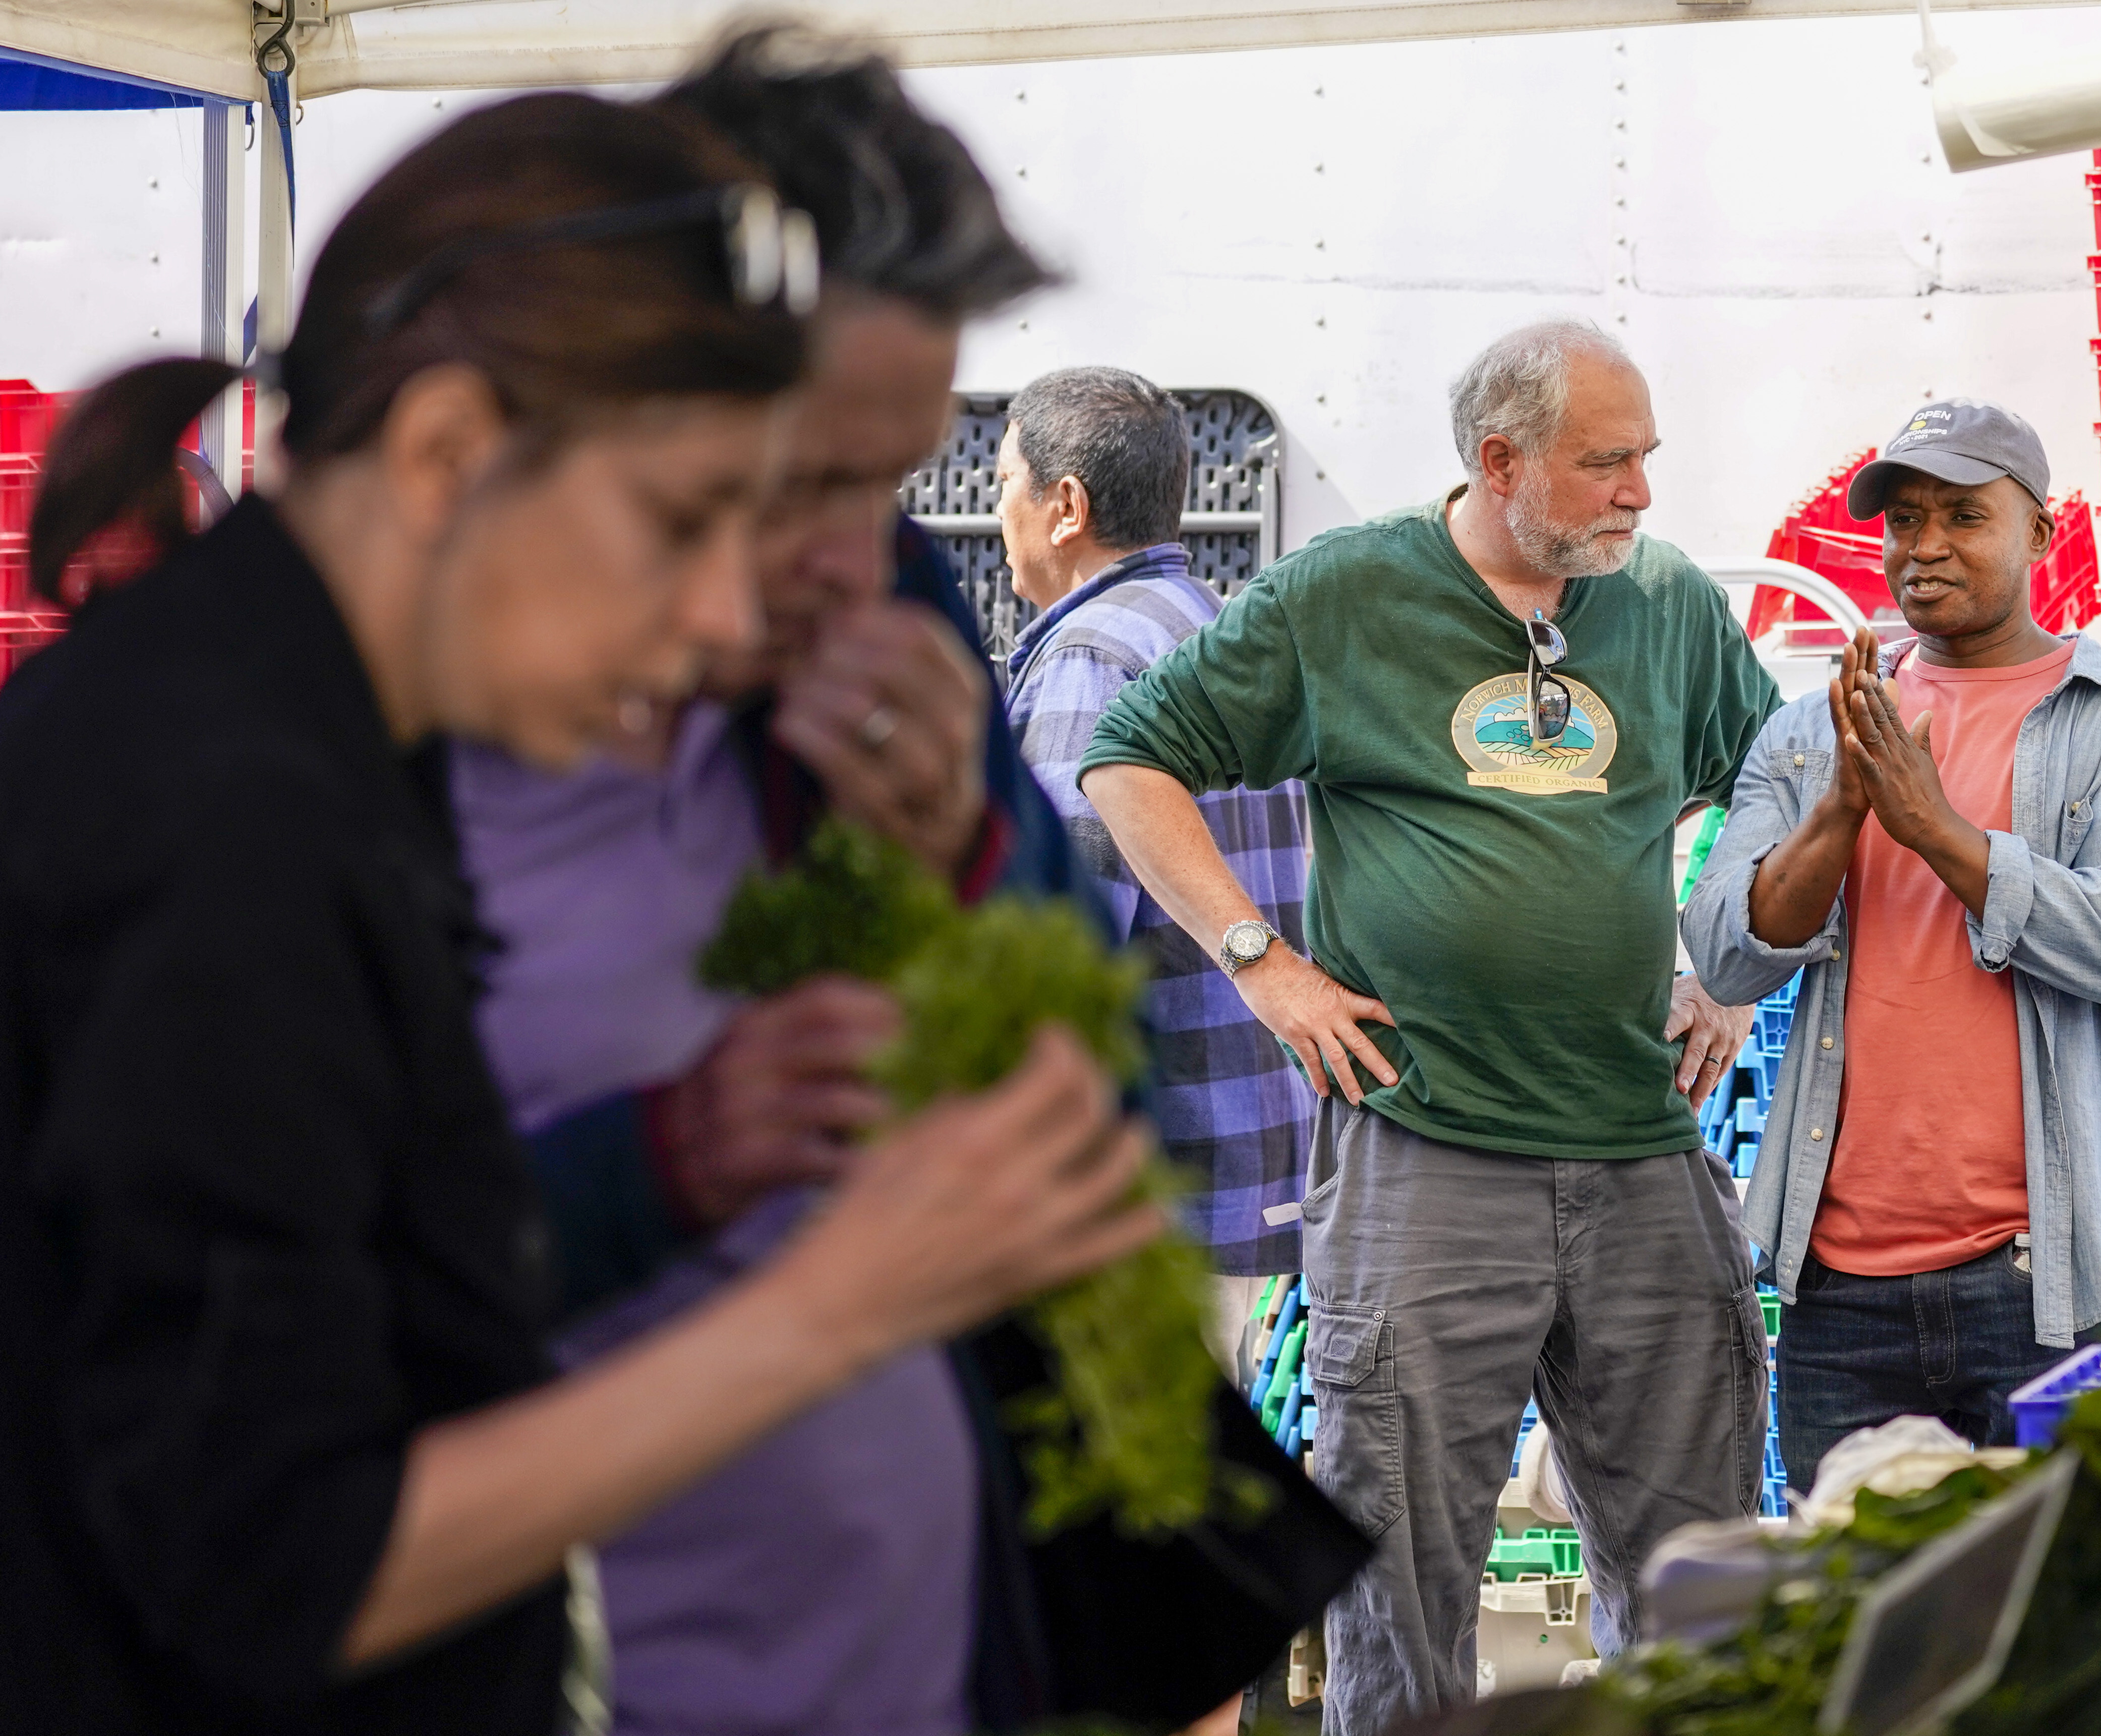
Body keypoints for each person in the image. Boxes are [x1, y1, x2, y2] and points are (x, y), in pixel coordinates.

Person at [0, 93, 1160, 1734]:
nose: (721, 608)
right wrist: (840, 1299)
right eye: (686, 521)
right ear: (447, 454)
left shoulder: (287, 744)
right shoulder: (222, 809)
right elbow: (273, 1559)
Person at [453, 37, 1367, 1736]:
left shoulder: (919, 622)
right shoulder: (391, 708)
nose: (841, 546)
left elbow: (1020, 973)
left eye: (880, 477)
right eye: (797, 470)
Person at [1082, 318, 1781, 1735]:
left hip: (1642, 1153)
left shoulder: (1665, 604)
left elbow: (1766, 781)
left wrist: (1726, 965)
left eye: (1646, 457)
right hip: (1424, 1159)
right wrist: (1258, 960)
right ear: (1499, 460)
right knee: (1398, 1583)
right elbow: (1128, 760)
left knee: (1698, 1572)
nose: (1641, 493)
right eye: (1606, 463)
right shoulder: (1342, 597)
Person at [1679, 399, 2101, 1491]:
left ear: (2036, 534)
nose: (1922, 547)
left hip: (2050, 1284)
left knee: (2060, 1615)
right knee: (1854, 1629)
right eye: (1903, 520)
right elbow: (1729, 953)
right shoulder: (1811, 726)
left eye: (1962, 516)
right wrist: (1836, 809)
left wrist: (1933, 827)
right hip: (1841, 1291)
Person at [997, 366, 1314, 1290]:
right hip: (1253, 1165)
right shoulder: (1210, 625)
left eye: (1006, 480)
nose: (997, 506)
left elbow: (1061, 945)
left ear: (1066, 506)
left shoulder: (1090, 657)